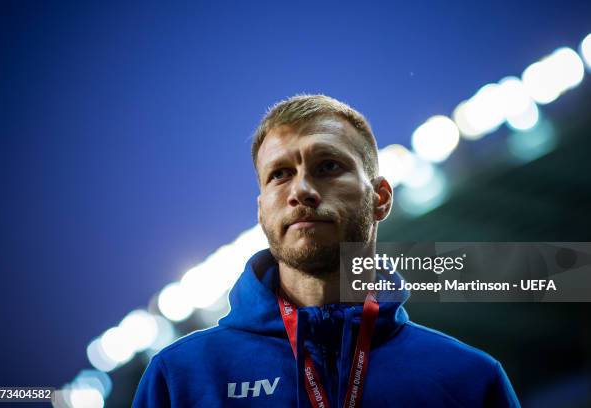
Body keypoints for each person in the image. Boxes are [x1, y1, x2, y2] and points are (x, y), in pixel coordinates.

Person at [133, 94, 520, 407]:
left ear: (381, 198)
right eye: (280, 174)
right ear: (262, 208)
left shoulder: (468, 378)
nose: (300, 190)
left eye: (328, 166)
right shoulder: (182, 377)